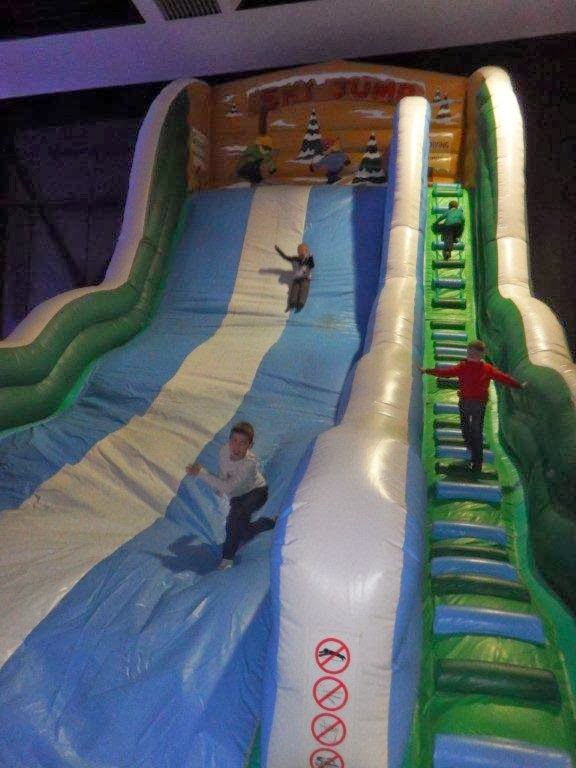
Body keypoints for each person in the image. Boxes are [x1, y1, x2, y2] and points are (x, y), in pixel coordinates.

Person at [420, 340, 526, 473]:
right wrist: (518, 385)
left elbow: (446, 373)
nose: (471, 355)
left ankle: (475, 460)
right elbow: (503, 378)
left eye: (473, 353)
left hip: (472, 403)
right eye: (470, 352)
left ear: (481, 354)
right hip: (472, 403)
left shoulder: (474, 367)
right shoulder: (474, 367)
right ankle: (475, 458)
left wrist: (427, 371)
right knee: (472, 431)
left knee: (471, 431)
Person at [186, 422, 274, 570]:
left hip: (256, 493)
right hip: (238, 496)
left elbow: (228, 487)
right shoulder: (224, 450)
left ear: (250, 445)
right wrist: (219, 485)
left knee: (233, 521)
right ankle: (267, 523)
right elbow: (224, 471)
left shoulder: (249, 464)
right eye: (234, 440)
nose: (236, 447)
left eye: (243, 443)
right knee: (242, 532)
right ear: (229, 441)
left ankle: (227, 558)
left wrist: (201, 473)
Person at [275, 242, 315, 312]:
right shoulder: (295, 259)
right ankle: (292, 303)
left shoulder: (308, 260)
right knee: (294, 290)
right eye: (299, 251)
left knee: (304, 289)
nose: (300, 253)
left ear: (306, 251)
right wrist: (279, 250)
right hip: (296, 278)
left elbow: (312, 265)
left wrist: (311, 257)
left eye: (302, 251)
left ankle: (301, 303)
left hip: (305, 278)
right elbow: (286, 257)